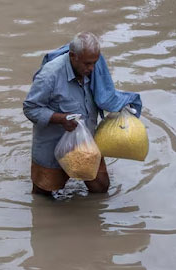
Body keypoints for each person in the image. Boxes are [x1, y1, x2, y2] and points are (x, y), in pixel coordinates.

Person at [23, 32, 111, 195]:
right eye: (87, 64)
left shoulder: (95, 68)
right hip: (52, 146)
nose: (91, 68)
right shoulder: (50, 75)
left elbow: (106, 94)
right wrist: (60, 119)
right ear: (72, 56)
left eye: (94, 63)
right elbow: (30, 108)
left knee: (101, 187)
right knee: (43, 194)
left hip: (85, 143)